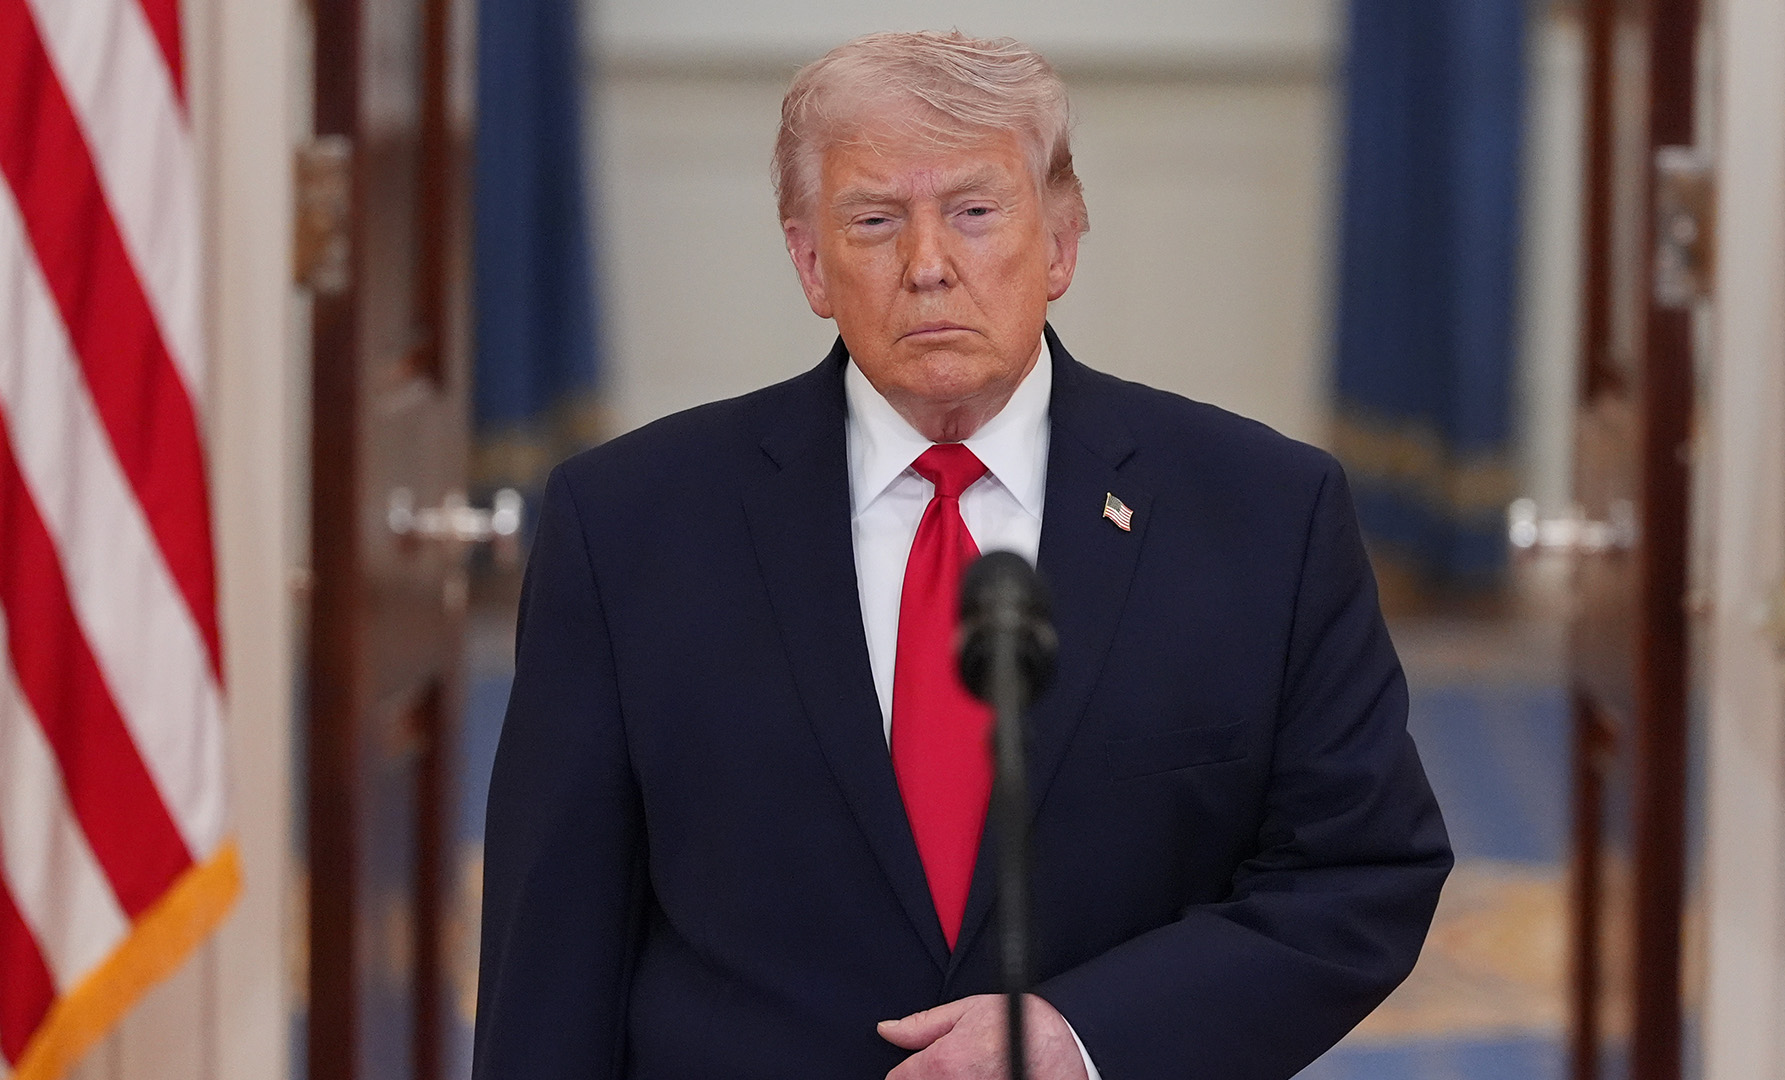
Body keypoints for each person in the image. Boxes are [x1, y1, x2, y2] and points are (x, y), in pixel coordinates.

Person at [474, 30, 1450, 1080]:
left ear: (1061, 242)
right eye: (875, 220)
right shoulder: (626, 528)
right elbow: (552, 949)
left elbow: (1359, 870)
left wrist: (1086, 1038)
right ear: (810, 261)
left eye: (976, 212)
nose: (929, 265)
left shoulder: (1266, 515)